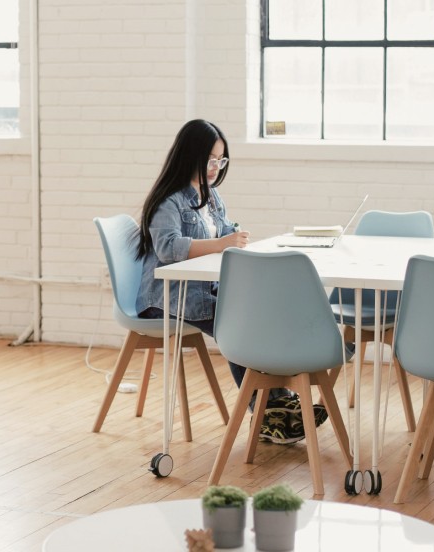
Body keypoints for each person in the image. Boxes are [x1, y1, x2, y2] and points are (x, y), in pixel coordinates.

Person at [134, 119, 325, 445]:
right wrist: (223, 244)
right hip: (167, 298)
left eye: (220, 160)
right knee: (239, 323)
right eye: (210, 159)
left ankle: (277, 405)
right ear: (189, 154)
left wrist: (232, 238)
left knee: (256, 309)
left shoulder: (212, 197)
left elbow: (221, 234)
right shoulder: (169, 200)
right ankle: (267, 411)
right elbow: (168, 249)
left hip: (203, 289)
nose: (215, 167)